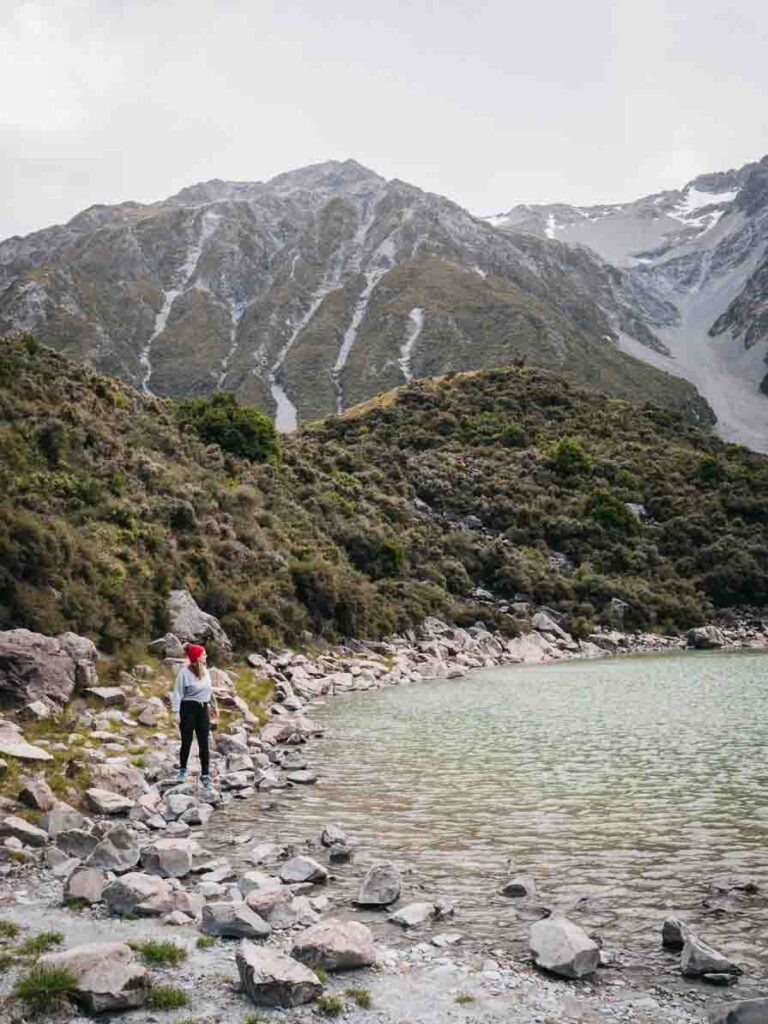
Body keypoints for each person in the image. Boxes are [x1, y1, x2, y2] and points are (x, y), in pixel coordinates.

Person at [170, 643, 218, 790]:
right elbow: (177, 693)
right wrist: (175, 713)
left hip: (203, 709)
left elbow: (209, 690)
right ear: (197, 657)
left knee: (204, 743)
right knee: (187, 741)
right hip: (188, 708)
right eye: (204, 654)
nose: (206, 656)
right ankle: (183, 770)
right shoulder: (184, 673)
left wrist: (214, 706)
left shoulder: (206, 671)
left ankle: (205, 775)